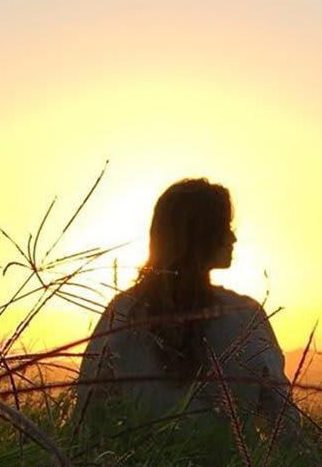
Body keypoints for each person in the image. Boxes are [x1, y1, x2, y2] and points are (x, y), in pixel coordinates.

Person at [73, 178, 300, 438]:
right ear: (200, 236)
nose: (233, 238)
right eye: (224, 227)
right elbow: (285, 427)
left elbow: (86, 422)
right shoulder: (245, 316)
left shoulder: (122, 314)